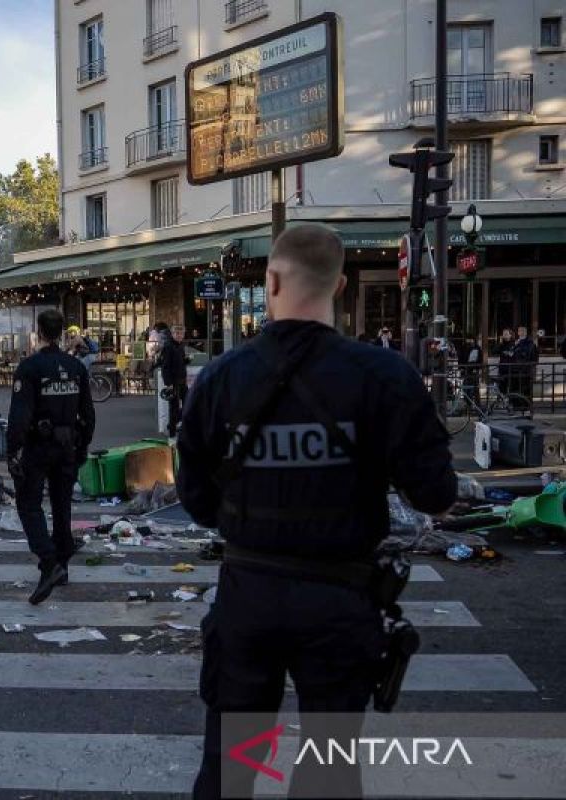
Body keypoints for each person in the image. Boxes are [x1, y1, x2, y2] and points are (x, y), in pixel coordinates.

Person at [177, 224, 457, 799]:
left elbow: (198, 501)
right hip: (342, 601)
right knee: (328, 772)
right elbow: (435, 493)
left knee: (232, 768)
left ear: (272, 280)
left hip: (248, 596)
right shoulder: (383, 376)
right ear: (342, 285)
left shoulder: (222, 377)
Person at [7, 309, 96, 605]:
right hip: (68, 445)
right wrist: (82, 447)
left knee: (29, 505)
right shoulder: (76, 367)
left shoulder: (30, 367)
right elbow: (89, 413)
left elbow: (20, 416)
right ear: (60, 333)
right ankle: (63, 565)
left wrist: (13, 452)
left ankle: (49, 563)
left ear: (39, 331)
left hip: (38, 446)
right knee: (62, 506)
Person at [156, 323, 188, 439]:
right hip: (173, 381)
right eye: (177, 333)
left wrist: (186, 361)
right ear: (173, 334)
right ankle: (172, 432)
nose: (179, 336)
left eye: (181, 333)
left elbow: (181, 361)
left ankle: (172, 425)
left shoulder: (181, 345)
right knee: (174, 407)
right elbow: (165, 367)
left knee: (188, 404)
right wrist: (168, 384)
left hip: (182, 380)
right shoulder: (168, 346)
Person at [513, 325, 539, 397]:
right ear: (518, 333)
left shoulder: (530, 343)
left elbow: (534, 358)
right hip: (517, 369)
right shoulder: (516, 343)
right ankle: (520, 406)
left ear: (526, 332)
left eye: (523, 331)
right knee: (518, 389)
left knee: (526, 389)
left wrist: (531, 368)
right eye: (519, 331)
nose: (521, 332)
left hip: (526, 370)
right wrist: (515, 346)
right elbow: (512, 355)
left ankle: (527, 406)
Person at [494, 327, 516, 395]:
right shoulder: (502, 345)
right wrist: (500, 343)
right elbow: (494, 351)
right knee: (502, 388)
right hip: (502, 369)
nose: (504, 335)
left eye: (506, 334)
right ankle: (502, 401)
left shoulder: (514, 344)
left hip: (511, 370)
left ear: (510, 335)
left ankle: (510, 402)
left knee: (511, 388)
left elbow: (514, 355)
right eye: (503, 334)